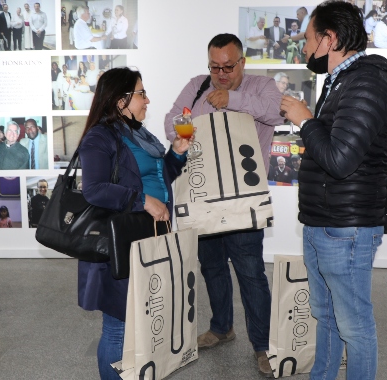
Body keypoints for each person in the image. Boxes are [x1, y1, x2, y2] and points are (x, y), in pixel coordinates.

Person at [278, 2, 387, 378]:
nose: (303, 48)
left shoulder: (368, 81)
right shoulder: (342, 82)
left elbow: (339, 159)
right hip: (323, 222)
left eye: (307, 39)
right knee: (326, 317)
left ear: (329, 38)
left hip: (346, 229)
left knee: (355, 326)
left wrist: (305, 121)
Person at [163, 33, 285, 376]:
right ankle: (221, 327)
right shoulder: (196, 85)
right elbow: (172, 120)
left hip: (244, 200)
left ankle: (263, 346)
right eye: (215, 67)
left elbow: (274, 113)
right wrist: (186, 128)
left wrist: (231, 98)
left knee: (250, 273)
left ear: (242, 62)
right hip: (202, 198)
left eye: (228, 67)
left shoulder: (262, 86)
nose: (221, 73)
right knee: (212, 266)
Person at [77, 67, 190, 380]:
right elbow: (94, 188)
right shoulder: (100, 136)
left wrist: (176, 156)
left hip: (150, 235)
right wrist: (141, 201)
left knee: (144, 319)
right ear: (119, 100)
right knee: (119, 327)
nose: (147, 100)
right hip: (122, 242)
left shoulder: (138, 132)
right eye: (141, 93)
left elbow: (158, 177)